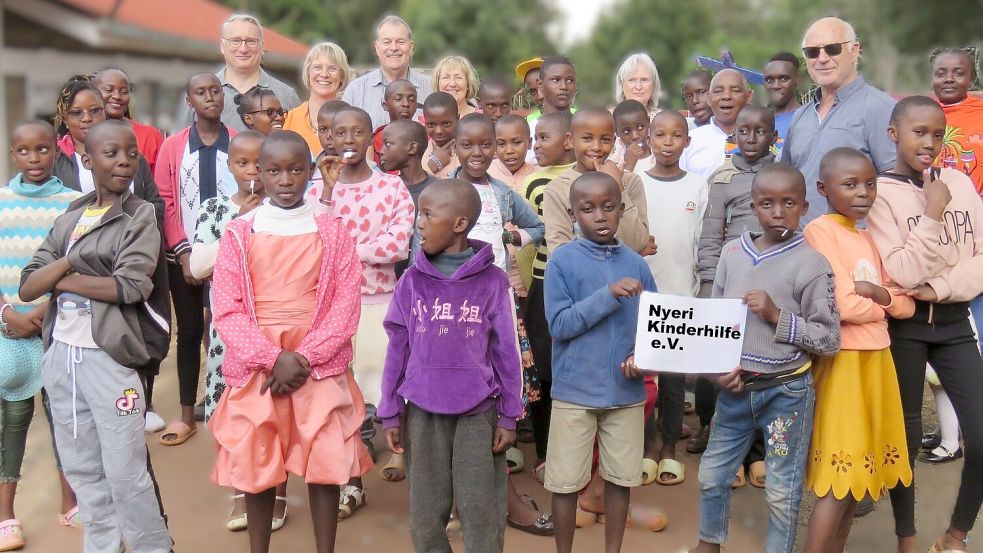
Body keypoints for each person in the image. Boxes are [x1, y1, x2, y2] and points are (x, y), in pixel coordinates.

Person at [207, 130, 371, 553]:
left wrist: (304, 358)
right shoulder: (240, 232)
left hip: (317, 361)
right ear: (259, 174)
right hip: (260, 366)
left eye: (296, 170)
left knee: (325, 457)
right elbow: (227, 307)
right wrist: (271, 357)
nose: (285, 180)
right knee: (257, 458)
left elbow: (346, 300)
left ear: (311, 171)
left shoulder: (331, 229)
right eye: (274, 171)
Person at [20, 119, 172, 553]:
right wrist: (70, 265)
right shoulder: (71, 216)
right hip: (62, 358)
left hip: (110, 357)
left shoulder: (138, 215)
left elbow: (129, 286)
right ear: (87, 160)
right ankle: (102, 546)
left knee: (126, 472)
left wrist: (64, 274)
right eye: (112, 154)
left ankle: (152, 547)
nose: (124, 161)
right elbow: (29, 285)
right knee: (82, 467)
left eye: (131, 154)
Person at [688, 163, 840, 553]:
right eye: (767, 203)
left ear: (804, 206)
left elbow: (828, 338)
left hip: (786, 393)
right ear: (753, 206)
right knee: (712, 475)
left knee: (781, 489)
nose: (777, 212)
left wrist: (777, 316)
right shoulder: (732, 253)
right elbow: (713, 325)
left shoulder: (813, 263)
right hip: (736, 392)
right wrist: (717, 372)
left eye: (788, 203)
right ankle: (709, 544)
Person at [379, 178, 523, 553]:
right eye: (419, 214)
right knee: (426, 511)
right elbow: (397, 349)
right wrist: (390, 410)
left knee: (481, 508)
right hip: (423, 412)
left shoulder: (494, 282)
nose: (419, 223)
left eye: (428, 215)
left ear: (459, 224)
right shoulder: (411, 282)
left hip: (478, 412)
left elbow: (507, 353)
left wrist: (510, 415)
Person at [866, 96, 983, 553]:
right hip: (906, 328)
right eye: (919, 133)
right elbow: (902, 271)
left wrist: (941, 287)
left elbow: (980, 258)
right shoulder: (880, 193)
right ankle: (907, 538)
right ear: (894, 134)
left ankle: (956, 535)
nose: (930, 143)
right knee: (906, 440)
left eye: (938, 134)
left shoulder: (959, 183)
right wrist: (932, 212)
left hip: (954, 323)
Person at [801, 147, 914, 553]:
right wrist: (882, 304)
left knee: (856, 483)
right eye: (850, 184)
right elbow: (843, 306)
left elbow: (905, 304)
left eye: (869, 184)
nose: (863, 193)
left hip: (877, 361)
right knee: (839, 479)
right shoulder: (820, 231)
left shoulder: (867, 236)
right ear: (823, 189)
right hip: (845, 363)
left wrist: (877, 294)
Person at [544, 171, 658, 553]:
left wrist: (641, 359)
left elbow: (655, 327)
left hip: (626, 392)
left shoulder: (637, 264)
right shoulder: (562, 262)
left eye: (608, 207)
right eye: (588, 209)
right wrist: (607, 295)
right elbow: (560, 325)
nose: (600, 216)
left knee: (621, 480)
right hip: (575, 392)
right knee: (565, 483)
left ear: (621, 210)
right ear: (572, 214)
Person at [314, 106, 415, 515]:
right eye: (340, 133)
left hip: (379, 305)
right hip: (331, 311)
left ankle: (411, 468)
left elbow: (397, 247)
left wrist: (340, 252)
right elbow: (312, 245)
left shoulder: (390, 187)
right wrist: (326, 192)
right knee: (340, 400)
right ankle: (351, 483)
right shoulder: (319, 191)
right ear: (329, 138)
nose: (348, 140)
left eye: (358, 132)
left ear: (370, 137)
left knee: (391, 392)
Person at [188, 129, 289, 533]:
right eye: (241, 163)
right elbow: (197, 267)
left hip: (275, 329)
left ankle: (277, 491)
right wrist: (241, 221)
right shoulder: (215, 209)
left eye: (258, 164)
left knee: (275, 409)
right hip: (229, 333)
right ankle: (240, 492)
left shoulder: (283, 210)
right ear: (229, 165)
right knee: (234, 412)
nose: (251, 172)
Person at [0, 120, 83, 550]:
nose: (34, 159)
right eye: (24, 151)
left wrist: (46, 308)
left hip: (59, 323)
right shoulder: (1, 201)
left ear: (57, 150)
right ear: (13, 154)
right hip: (8, 331)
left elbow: (79, 262)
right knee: (12, 420)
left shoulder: (72, 204)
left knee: (63, 414)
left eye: (43, 149)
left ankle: (71, 500)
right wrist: (7, 312)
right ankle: (5, 514)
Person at [691, 106, 778, 467]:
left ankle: (756, 447)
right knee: (716, 357)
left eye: (760, 131)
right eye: (744, 131)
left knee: (759, 357)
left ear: (774, 137)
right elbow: (710, 233)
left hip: (771, 277)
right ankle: (709, 426)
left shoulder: (782, 173)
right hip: (727, 278)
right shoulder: (723, 178)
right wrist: (710, 281)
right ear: (733, 136)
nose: (751, 138)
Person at [156, 73, 238, 446]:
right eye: (200, 92)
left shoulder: (237, 142)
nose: (209, 97)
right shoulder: (174, 147)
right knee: (190, 331)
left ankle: (232, 408)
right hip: (183, 258)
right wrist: (185, 252)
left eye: (215, 90)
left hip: (231, 256)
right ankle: (187, 414)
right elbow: (166, 201)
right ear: (189, 101)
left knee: (229, 332)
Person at [634, 109, 708, 486]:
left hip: (682, 295)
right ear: (649, 139)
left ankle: (668, 449)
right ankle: (648, 446)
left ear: (687, 141)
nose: (667, 142)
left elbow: (701, 240)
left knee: (675, 379)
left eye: (676, 135)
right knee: (646, 377)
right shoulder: (636, 183)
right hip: (643, 296)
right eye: (660, 135)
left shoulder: (697, 185)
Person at [926, 47, 983, 466]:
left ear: (972, 77)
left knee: (975, 337)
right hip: (935, 236)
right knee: (940, 336)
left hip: (975, 235)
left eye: (958, 72)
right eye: (941, 72)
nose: (949, 79)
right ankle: (953, 430)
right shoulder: (921, 113)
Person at [783, 16, 896, 225]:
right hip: (800, 240)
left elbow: (897, 187)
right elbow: (785, 181)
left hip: (858, 239)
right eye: (812, 52)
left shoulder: (881, 108)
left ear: (854, 51)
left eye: (832, 49)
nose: (822, 58)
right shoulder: (800, 116)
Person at [519, 111, 576, 479]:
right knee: (541, 369)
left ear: (568, 140)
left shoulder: (595, 178)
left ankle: (575, 454)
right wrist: (533, 286)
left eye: (544, 137)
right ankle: (544, 452)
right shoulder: (533, 181)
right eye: (535, 138)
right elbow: (528, 243)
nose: (536, 146)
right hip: (543, 285)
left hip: (582, 288)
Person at [541, 108, 652, 256]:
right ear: (570, 140)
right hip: (579, 272)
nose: (596, 147)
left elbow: (638, 242)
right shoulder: (557, 189)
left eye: (605, 139)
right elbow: (560, 253)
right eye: (587, 138)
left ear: (614, 141)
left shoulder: (630, 182)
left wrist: (617, 185)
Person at [52, 76, 163, 213]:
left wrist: (137, 221)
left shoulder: (132, 155)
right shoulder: (55, 159)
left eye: (94, 110)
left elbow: (156, 204)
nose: (87, 118)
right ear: (65, 119)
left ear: (105, 112)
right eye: (76, 113)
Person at [175, 14, 300, 132]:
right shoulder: (198, 94)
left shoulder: (286, 96)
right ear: (222, 46)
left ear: (262, 46)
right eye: (235, 41)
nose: (243, 48)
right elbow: (179, 143)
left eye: (251, 41)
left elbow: (298, 144)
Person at [342, 15, 432, 130]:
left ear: (411, 47)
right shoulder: (356, 91)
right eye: (387, 42)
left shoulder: (431, 88)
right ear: (376, 47)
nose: (393, 48)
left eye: (400, 42)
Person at [379, 120, 437, 278]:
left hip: (424, 279)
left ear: (412, 148)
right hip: (386, 279)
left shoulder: (437, 191)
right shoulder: (383, 189)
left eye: (388, 144)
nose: (381, 151)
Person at [680, 68, 753, 182]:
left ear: (749, 97)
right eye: (718, 91)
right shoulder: (689, 142)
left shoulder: (761, 139)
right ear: (709, 99)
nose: (726, 96)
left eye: (735, 90)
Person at [283, 42, 352, 154]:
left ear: (342, 76)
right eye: (317, 67)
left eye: (332, 68)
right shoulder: (288, 119)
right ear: (308, 72)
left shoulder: (352, 120)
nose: (324, 74)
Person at [92, 67, 165, 173]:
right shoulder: (82, 134)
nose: (117, 96)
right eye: (108, 90)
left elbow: (160, 180)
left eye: (124, 91)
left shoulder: (150, 136)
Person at [372, 79, 420, 167]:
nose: (406, 104)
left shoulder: (423, 136)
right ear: (385, 105)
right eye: (398, 99)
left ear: (416, 105)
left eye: (411, 100)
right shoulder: (377, 138)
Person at [762, 53, 802, 146]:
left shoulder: (806, 120)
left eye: (783, 79)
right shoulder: (758, 121)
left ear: (797, 79)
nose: (776, 86)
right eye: (769, 80)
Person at [422, 92, 461, 178]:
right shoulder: (419, 151)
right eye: (431, 124)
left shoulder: (468, 149)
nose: (438, 131)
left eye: (446, 124)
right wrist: (432, 166)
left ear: (458, 119)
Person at [611, 99, 654, 172]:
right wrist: (627, 167)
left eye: (640, 127)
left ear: (648, 122)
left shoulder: (660, 156)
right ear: (617, 132)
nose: (635, 136)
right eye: (626, 131)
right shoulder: (614, 162)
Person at [614, 53, 662, 117]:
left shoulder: (664, 119)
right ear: (621, 84)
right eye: (632, 80)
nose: (638, 87)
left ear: (654, 84)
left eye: (644, 80)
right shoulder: (610, 119)